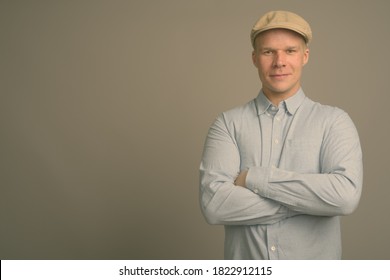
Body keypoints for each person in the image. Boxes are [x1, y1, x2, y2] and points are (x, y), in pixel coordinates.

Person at [199, 10, 363, 259]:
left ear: (304, 56)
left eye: (290, 50)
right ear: (254, 58)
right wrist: (310, 203)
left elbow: (344, 198)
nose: (279, 61)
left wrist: (255, 179)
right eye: (268, 52)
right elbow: (215, 206)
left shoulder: (334, 122)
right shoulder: (228, 124)